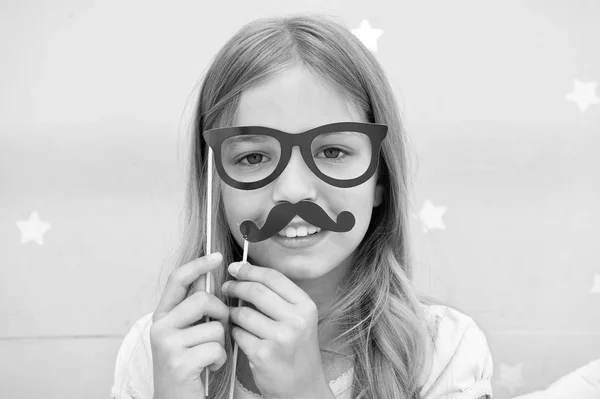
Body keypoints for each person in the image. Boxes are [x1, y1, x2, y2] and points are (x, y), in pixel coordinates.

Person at [111, 13, 493, 399]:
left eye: (332, 151)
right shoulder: (161, 351)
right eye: (253, 158)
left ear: (380, 180)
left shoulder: (444, 352)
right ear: (216, 183)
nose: (293, 193)